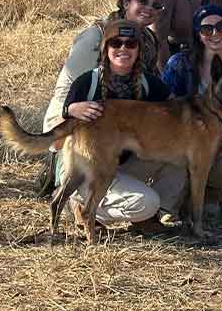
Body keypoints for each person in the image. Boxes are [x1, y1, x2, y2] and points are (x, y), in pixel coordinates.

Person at [60, 20, 177, 233]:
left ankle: (148, 219)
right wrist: (70, 109)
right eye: (116, 43)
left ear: (139, 50)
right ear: (105, 49)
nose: (123, 49)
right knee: (145, 203)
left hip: (124, 164)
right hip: (89, 168)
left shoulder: (149, 84)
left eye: (131, 44)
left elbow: (178, 109)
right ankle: (85, 209)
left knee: (178, 161)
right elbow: (60, 131)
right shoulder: (88, 82)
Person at [43, 0, 164, 135]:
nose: (149, 8)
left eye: (157, 5)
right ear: (126, 3)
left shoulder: (149, 40)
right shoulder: (95, 36)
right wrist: (69, 111)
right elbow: (69, 90)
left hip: (119, 119)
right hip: (76, 117)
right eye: (143, 1)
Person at [161, 5, 222, 218]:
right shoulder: (179, 63)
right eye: (207, 29)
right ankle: (174, 202)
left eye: (221, 27)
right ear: (198, 34)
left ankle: (209, 193)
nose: (215, 33)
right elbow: (165, 103)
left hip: (219, 139)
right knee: (184, 159)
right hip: (180, 137)